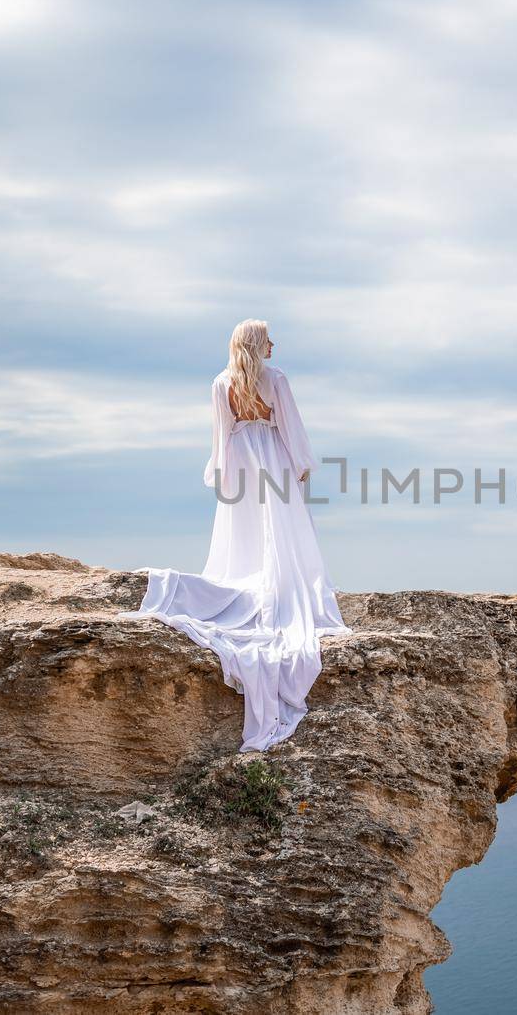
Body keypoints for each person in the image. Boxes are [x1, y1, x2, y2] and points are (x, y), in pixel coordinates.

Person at [116, 319, 347, 751]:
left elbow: (221, 432)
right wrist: (301, 464)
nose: (275, 344)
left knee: (244, 531)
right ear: (258, 344)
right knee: (280, 527)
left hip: (240, 456)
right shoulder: (275, 378)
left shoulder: (221, 382)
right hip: (272, 453)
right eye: (269, 338)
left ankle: (251, 584)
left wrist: (220, 473)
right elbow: (291, 426)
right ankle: (277, 588)